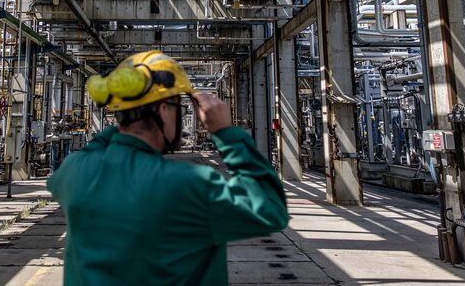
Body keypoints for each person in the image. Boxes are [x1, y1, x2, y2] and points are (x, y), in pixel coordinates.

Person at [47, 50, 289, 286]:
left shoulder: (73, 172)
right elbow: (269, 209)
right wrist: (226, 133)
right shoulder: (188, 184)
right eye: (178, 108)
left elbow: (92, 149)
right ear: (164, 110)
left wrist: (124, 120)